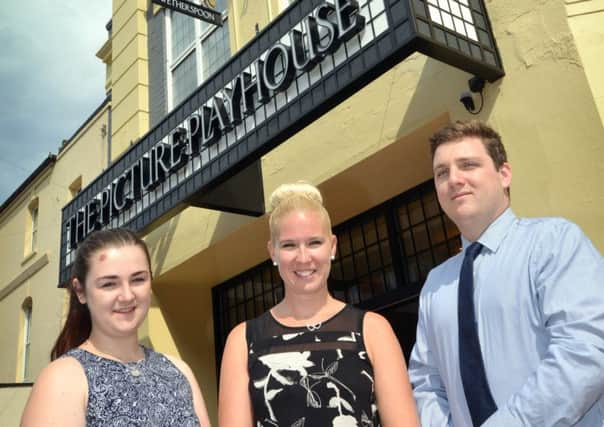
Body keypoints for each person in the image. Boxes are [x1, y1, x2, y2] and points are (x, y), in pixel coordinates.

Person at [408, 120, 604, 426]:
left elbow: (584, 350)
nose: (454, 179)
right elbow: (426, 383)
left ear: (504, 174)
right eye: (442, 173)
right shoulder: (435, 285)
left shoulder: (553, 241)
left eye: (468, 165)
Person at [218, 182, 419, 426]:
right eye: (289, 245)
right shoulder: (243, 340)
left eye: (314, 243)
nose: (303, 258)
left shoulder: (373, 329)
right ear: (273, 252)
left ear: (332, 246)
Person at [21, 228, 211, 427]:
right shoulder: (63, 379)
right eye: (109, 284)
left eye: (138, 279)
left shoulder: (179, 371)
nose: (127, 296)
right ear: (80, 291)